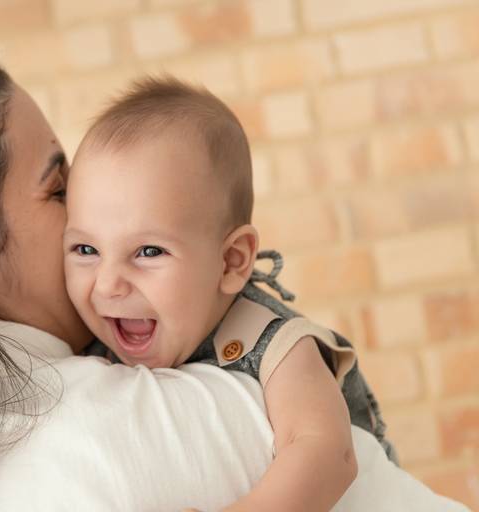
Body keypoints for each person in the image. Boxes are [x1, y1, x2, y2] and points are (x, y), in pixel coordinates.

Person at [0, 49, 467, 512]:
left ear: (234, 259)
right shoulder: (194, 421)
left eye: (148, 249)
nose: (91, 215)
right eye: (58, 188)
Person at [62, 77, 393, 511]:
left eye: (148, 251)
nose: (107, 284)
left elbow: (328, 453)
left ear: (231, 261)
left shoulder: (274, 342)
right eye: (86, 250)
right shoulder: (88, 346)